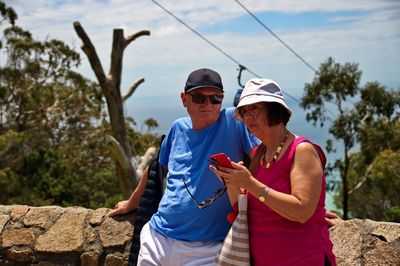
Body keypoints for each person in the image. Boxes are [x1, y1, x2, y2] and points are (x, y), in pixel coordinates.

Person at [109, 68, 260, 265]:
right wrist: (131, 203)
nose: (208, 104)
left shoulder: (233, 121)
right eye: (199, 97)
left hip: (208, 247)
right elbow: (156, 169)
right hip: (159, 237)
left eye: (215, 98)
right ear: (184, 99)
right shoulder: (177, 128)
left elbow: (263, 158)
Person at [210, 78, 336, 265]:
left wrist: (250, 183)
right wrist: (233, 182)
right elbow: (244, 208)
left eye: (255, 108)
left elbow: (302, 211)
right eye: (244, 111)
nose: (248, 116)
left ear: (275, 109)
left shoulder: (301, 150)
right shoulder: (258, 153)